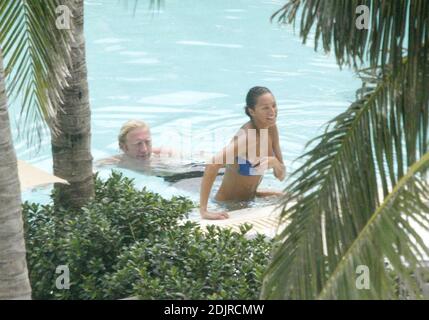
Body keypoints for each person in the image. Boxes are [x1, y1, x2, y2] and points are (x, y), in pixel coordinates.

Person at [199, 86, 286, 220]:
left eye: (274, 106)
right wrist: (204, 211)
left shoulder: (271, 128)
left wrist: (273, 162)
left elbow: (281, 175)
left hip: (250, 199)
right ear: (252, 111)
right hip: (228, 205)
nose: (272, 112)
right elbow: (212, 164)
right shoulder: (247, 137)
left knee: (294, 197)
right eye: (265, 108)